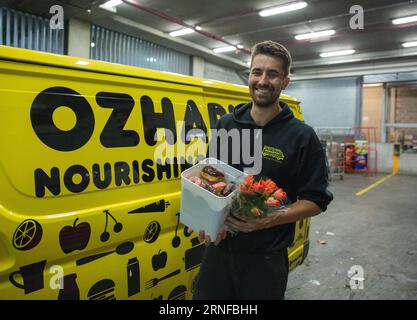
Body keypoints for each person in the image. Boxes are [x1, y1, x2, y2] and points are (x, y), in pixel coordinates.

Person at [193, 40, 333, 300]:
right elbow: (210, 179)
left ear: (285, 81)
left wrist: (272, 218)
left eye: (273, 74)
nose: (262, 80)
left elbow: (317, 199)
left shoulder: (302, 136)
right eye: (257, 72)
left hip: (265, 261)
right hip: (219, 252)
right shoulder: (226, 124)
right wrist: (206, 218)